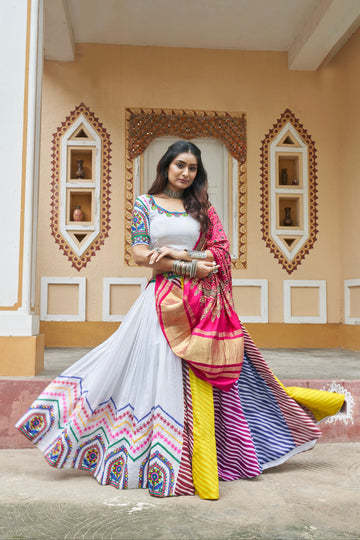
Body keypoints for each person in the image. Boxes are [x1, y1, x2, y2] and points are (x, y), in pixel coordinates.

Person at [16, 140, 344, 500]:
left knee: (240, 375)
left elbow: (221, 253)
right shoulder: (145, 204)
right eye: (180, 166)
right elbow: (141, 254)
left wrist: (177, 251)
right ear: (166, 166)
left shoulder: (201, 207)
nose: (186, 173)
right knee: (142, 372)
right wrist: (186, 264)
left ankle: (229, 449)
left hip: (204, 304)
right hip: (162, 302)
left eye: (192, 168)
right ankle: (140, 454)